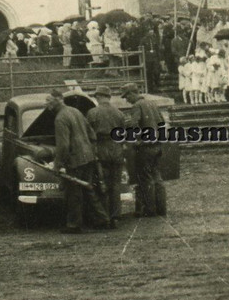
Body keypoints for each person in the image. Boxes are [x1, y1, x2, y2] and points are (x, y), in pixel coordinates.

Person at [45, 90, 109, 233]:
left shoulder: (60, 118)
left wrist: (57, 164)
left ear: (59, 99)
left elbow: (63, 145)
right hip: (88, 157)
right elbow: (92, 134)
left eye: (49, 101)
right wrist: (91, 151)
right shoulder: (76, 111)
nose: (46, 104)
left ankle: (74, 225)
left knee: (73, 194)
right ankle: (103, 219)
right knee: (89, 189)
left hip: (75, 160)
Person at [120, 83, 167, 218]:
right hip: (157, 145)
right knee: (157, 177)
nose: (126, 100)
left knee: (145, 179)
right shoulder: (151, 104)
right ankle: (161, 209)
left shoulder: (137, 106)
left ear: (132, 93)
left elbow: (134, 125)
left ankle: (149, 210)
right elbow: (162, 122)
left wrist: (135, 140)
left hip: (145, 147)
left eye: (127, 96)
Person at [86, 86, 127, 228]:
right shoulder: (119, 113)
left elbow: (88, 134)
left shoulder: (92, 113)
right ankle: (115, 216)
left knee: (101, 184)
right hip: (117, 149)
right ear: (109, 97)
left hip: (101, 149)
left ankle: (104, 217)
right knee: (115, 184)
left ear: (98, 96)